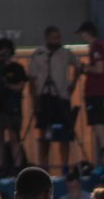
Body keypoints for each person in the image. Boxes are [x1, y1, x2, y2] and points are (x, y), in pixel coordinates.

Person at [28, 25, 81, 173]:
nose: (56, 40)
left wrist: (73, 83)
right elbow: (31, 78)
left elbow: (78, 65)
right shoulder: (38, 54)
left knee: (64, 132)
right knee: (44, 132)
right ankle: (43, 165)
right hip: (44, 97)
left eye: (58, 37)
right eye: (53, 38)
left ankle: (64, 165)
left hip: (61, 96)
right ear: (46, 39)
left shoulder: (65, 53)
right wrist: (34, 100)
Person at [0, 37, 28, 173]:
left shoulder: (17, 68)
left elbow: (20, 86)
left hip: (12, 106)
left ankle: (17, 166)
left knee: (14, 137)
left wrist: (7, 85)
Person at [77, 21, 104, 153]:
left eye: (82, 34)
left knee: (99, 127)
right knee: (97, 128)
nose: (81, 37)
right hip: (95, 93)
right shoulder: (95, 48)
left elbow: (99, 68)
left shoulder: (97, 47)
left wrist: (84, 68)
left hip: (97, 93)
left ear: (86, 33)